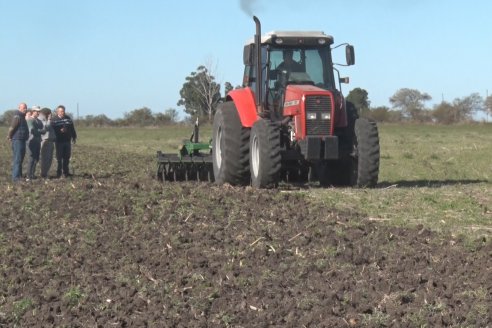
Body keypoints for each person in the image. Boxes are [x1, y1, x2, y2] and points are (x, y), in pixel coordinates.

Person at [52, 105, 77, 178]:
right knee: (59, 158)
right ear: (57, 112)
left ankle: (66, 172)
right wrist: (59, 131)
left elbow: (72, 128)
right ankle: (59, 173)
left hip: (67, 140)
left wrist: (74, 136)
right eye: (61, 111)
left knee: (67, 157)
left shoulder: (68, 118)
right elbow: (53, 130)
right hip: (59, 141)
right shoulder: (54, 120)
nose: (62, 112)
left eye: (63, 111)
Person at [6, 103, 29, 182]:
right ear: (19, 108)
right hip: (17, 140)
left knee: (20, 159)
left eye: (25, 107)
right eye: (23, 108)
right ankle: (15, 178)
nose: (25, 109)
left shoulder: (23, 117)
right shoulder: (17, 116)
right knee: (18, 159)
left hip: (22, 140)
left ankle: (19, 175)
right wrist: (9, 136)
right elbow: (12, 127)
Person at [26, 106, 45, 180]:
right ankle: (28, 176)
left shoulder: (39, 121)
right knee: (31, 158)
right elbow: (32, 130)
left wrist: (40, 131)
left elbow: (44, 130)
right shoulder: (30, 120)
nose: (38, 113)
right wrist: (40, 131)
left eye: (39, 111)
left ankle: (32, 174)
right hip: (31, 141)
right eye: (36, 111)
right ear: (32, 111)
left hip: (37, 141)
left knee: (36, 158)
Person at [39, 108, 56, 178]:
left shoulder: (47, 120)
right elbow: (46, 128)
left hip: (51, 141)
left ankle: (45, 173)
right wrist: (49, 120)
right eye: (49, 113)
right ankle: (43, 174)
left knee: (49, 159)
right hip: (45, 141)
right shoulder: (41, 120)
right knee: (45, 159)